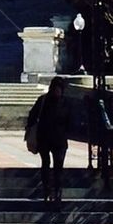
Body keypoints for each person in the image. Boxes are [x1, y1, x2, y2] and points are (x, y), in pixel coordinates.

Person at [26, 76, 71, 205]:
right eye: (56, 88)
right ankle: (47, 191)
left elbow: (71, 121)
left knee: (58, 168)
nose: (58, 91)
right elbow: (32, 116)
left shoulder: (66, 103)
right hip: (44, 139)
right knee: (45, 164)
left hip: (60, 141)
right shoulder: (43, 100)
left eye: (60, 89)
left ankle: (57, 192)